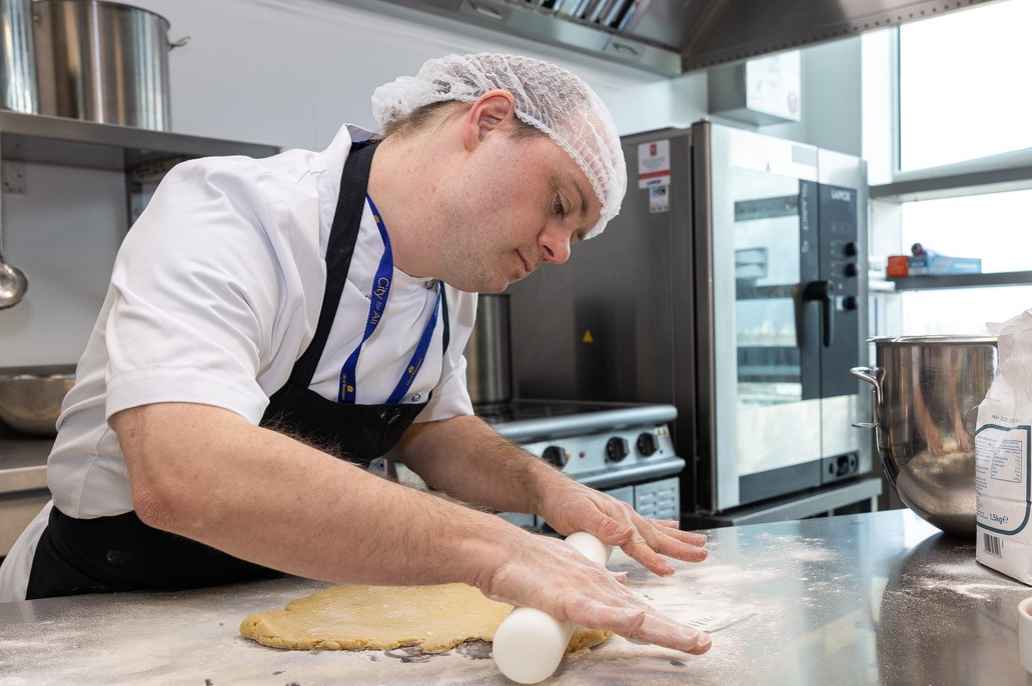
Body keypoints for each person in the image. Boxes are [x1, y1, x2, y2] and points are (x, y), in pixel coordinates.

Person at [0, 53, 711, 656]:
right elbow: (183, 471)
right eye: (559, 204)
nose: (559, 251)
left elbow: (432, 429)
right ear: (488, 120)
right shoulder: (233, 211)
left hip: (283, 598)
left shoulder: (448, 286)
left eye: (576, 237)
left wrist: (545, 490)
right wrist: (500, 550)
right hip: (103, 611)